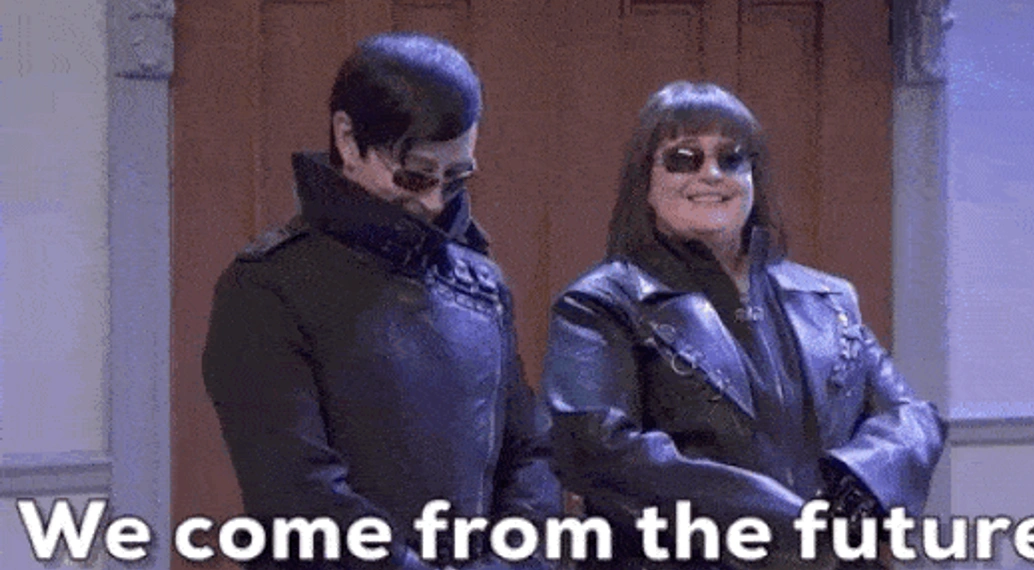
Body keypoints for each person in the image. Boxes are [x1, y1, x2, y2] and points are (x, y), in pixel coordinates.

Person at [541, 81, 946, 569]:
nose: (711, 174)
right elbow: (598, 451)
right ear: (644, 181)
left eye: (732, 158)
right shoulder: (599, 303)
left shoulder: (829, 300)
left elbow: (910, 417)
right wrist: (794, 530)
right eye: (684, 158)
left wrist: (858, 490)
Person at [203, 32, 560, 570]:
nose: (435, 201)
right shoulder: (265, 286)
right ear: (348, 139)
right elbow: (298, 494)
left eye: (456, 177)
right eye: (415, 175)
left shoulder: (483, 285)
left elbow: (530, 458)